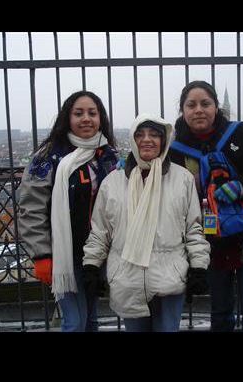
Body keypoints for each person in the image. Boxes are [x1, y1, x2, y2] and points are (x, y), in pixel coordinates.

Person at [168, 81, 243, 332]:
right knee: (220, 310)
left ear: (216, 107)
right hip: (209, 242)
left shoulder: (241, 133)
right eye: (191, 105)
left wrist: (241, 186)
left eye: (205, 104)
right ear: (183, 111)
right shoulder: (174, 150)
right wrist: (126, 164)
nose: (199, 110)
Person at [82, 114, 210, 332]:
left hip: (169, 278)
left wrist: (199, 266)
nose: (147, 139)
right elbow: (100, 231)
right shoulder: (112, 182)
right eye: (140, 134)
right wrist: (91, 265)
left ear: (164, 140)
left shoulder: (183, 179)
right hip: (127, 279)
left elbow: (193, 229)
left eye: (154, 134)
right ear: (133, 140)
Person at [18, 90, 118, 332]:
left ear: (101, 118)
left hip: (97, 252)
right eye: (79, 113)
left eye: (92, 113)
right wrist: (41, 254)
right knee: (75, 322)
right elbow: (31, 206)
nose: (86, 118)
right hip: (64, 253)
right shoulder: (48, 157)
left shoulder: (107, 155)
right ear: (67, 118)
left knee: (91, 319)